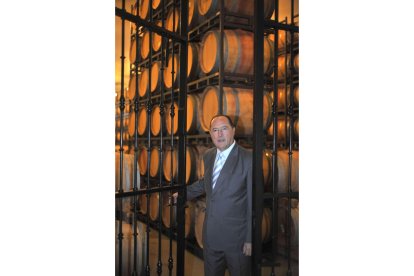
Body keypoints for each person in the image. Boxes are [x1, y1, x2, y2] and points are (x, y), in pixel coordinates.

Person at [174, 114, 252, 276]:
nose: (219, 134)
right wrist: (183, 194)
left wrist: (249, 239)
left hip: (236, 240)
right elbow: (206, 183)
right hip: (211, 237)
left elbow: (253, 201)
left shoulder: (247, 158)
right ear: (210, 134)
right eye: (215, 130)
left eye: (224, 129)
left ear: (233, 131)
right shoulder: (208, 156)